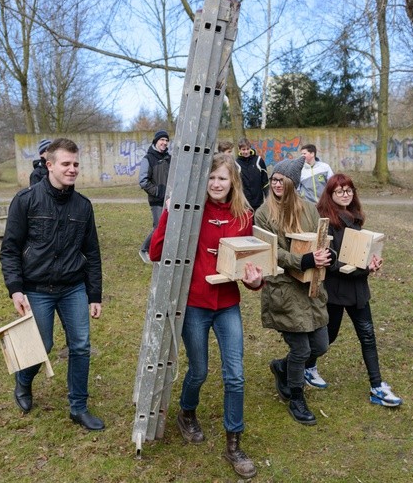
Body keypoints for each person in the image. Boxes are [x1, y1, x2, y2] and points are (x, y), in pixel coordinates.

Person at [149, 153, 261, 479]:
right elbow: (157, 252)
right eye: (211, 178)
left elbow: (252, 268)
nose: (215, 184)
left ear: (232, 182)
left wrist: (256, 281)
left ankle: (234, 445)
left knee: (235, 375)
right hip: (195, 305)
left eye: (222, 178)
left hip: (227, 305)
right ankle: (187, 413)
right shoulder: (190, 214)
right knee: (198, 370)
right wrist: (169, 212)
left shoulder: (244, 218)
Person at [0, 138, 105, 431]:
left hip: (73, 288)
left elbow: (92, 253)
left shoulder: (83, 206)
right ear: (50, 165)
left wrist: (94, 294)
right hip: (36, 288)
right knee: (42, 345)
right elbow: (10, 249)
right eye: (66, 164)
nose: (72, 170)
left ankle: (78, 407)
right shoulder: (26, 200)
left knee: (81, 346)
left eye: (76, 165)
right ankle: (23, 380)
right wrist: (16, 288)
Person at [302, 173, 403, 406]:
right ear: (330, 194)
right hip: (337, 292)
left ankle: (377, 386)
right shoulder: (325, 223)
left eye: (349, 190)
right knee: (328, 337)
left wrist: (373, 261)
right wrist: (364, 267)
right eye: (339, 191)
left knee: (367, 335)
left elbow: (361, 252)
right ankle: (304, 365)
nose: (345, 195)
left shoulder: (355, 218)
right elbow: (332, 263)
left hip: (358, 291)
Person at [254, 156, 334, 426]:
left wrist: (327, 255)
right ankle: (297, 397)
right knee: (300, 349)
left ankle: (282, 366)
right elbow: (272, 252)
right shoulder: (264, 213)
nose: (276, 184)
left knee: (320, 345)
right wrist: (304, 261)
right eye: (274, 179)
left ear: (293, 183)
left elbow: (321, 241)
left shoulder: (309, 210)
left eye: (282, 180)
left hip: (311, 288)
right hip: (284, 289)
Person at [138, 130, 171, 262]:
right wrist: (158, 192)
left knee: (168, 226)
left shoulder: (169, 158)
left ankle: (161, 251)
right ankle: (144, 249)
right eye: (162, 140)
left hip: (169, 199)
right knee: (159, 226)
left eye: (166, 140)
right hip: (156, 200)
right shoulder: (148, 158)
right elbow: (143, 181)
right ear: (156, 141)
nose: (164, 142)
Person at [236, 139, 268, 211]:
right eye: (243, 149)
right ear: (239, 150)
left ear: (250, 148)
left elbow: (265, 182)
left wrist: (268, 197)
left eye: (248, 149)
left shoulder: (258, 160)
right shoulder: (236, 163)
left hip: (258, 202)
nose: (246, 152)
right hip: (244, 203)